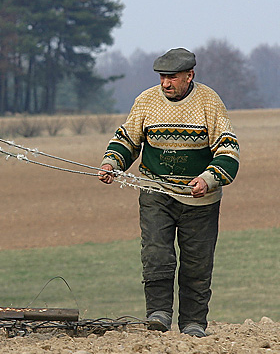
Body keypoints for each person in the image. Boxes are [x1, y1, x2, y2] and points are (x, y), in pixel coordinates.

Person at [98, 47, 239, 337]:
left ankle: (193, 323)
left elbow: (228, 149)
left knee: (197, 264)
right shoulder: (146, 101)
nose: (165, 83)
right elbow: (127, 139)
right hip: (155, 191)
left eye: (172, 77)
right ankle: (159, 314)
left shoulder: (209, 102)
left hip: (199, 199)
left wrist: (209, 179)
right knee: (156, 253)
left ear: (190, 75)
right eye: (162, 77)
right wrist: (111, 162)